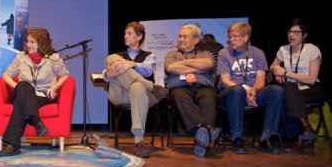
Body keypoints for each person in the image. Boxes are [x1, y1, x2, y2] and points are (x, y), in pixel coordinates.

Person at [0, 27, 70, 157]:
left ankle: (12, 145)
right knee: (24, 85)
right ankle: (36, 121)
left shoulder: (53, 58)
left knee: (20, 104)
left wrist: (54, 87)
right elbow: (6, 75)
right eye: (27, 41)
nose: (28, 45)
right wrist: (17, 86)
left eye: (32, 42)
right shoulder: (21, 57)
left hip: (42, 96)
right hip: (21, 91)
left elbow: (65, 75)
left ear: (41, 44)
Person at [103, 21, 168, 158]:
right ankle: (152, 87)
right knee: (111, 57)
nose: (125, 36)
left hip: (143, 96)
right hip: (120, 95)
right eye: (125, 34)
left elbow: (147, 70)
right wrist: (109, 73)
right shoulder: (117, 56)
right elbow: (105, 76)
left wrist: (131, 64)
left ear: (139, 37)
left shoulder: (149, 55)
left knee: (137, 87)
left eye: (129, 33)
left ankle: (138, 142)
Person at [217, 22, 284, 154]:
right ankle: (237, 138)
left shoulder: (258, 53)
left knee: (276, 91)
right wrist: (244, 90)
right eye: (230, 36)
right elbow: (225, 80)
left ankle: (268, 137)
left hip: (253, 93)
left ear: (246, 37)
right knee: (237, 91)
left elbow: (260, 80)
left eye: (235, 36)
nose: (231, 39)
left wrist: (253, 90)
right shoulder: (224, 53)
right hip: (231, 93)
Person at [164, 24, 221, 157]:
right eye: (179, 36)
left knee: (209, 96)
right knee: (178, 95)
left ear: (196, 40)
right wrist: (197, 67)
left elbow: (208, 63)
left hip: (203, 87)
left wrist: (183, 63)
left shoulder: (206, 54)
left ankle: (202, 138)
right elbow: (171, 68)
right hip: (180, 88)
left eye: (185, 36)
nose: (181, 39)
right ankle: (207, 128)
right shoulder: (172, 54)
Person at [270, 18, 325, 145]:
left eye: (296, 32)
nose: (292, 35)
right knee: (286, 89)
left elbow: (311, 79)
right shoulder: (283, 49)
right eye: (290, 31)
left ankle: (302, 130)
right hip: (292, 90)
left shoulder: (312, 49)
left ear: (304, 35)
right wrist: (276, 68)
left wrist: (286, 73)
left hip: (311, 90)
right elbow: (272, 66)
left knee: (287, 89)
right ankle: (304, 129)